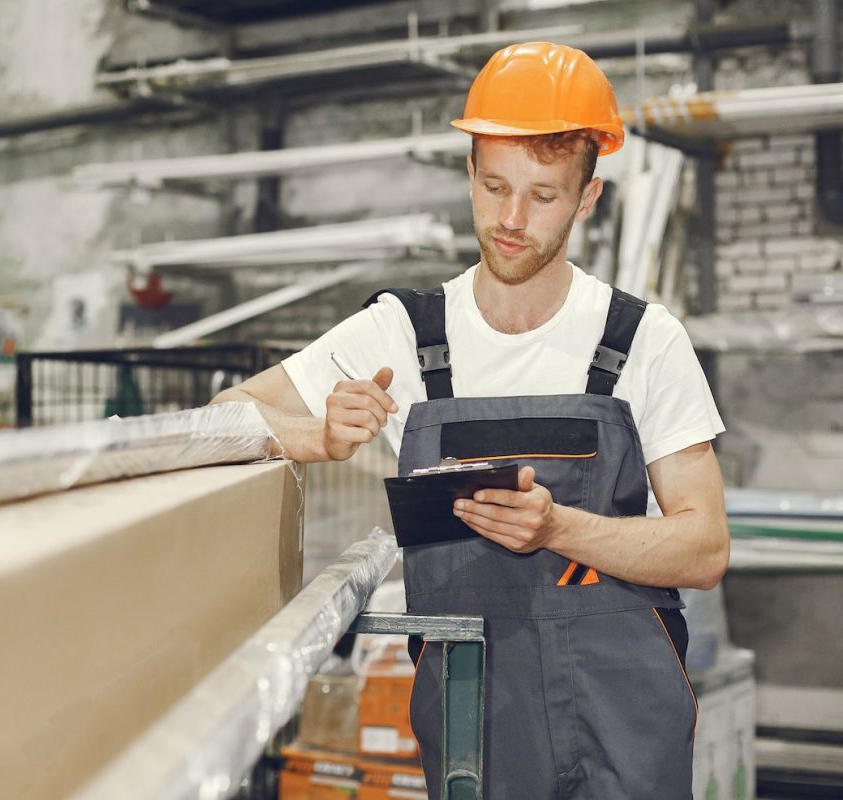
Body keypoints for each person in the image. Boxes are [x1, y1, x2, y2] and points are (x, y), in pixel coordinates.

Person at [212, 41, 729, 799]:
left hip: (628, 716)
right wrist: (315, 436)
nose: (511, 219)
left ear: (588, 198)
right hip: (473, 712)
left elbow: (704, 545)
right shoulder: (399, 334)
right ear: (469, 173)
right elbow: (230, 413)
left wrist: (559, 529)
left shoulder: (643, 340)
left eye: (544, 195)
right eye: (493, 186)